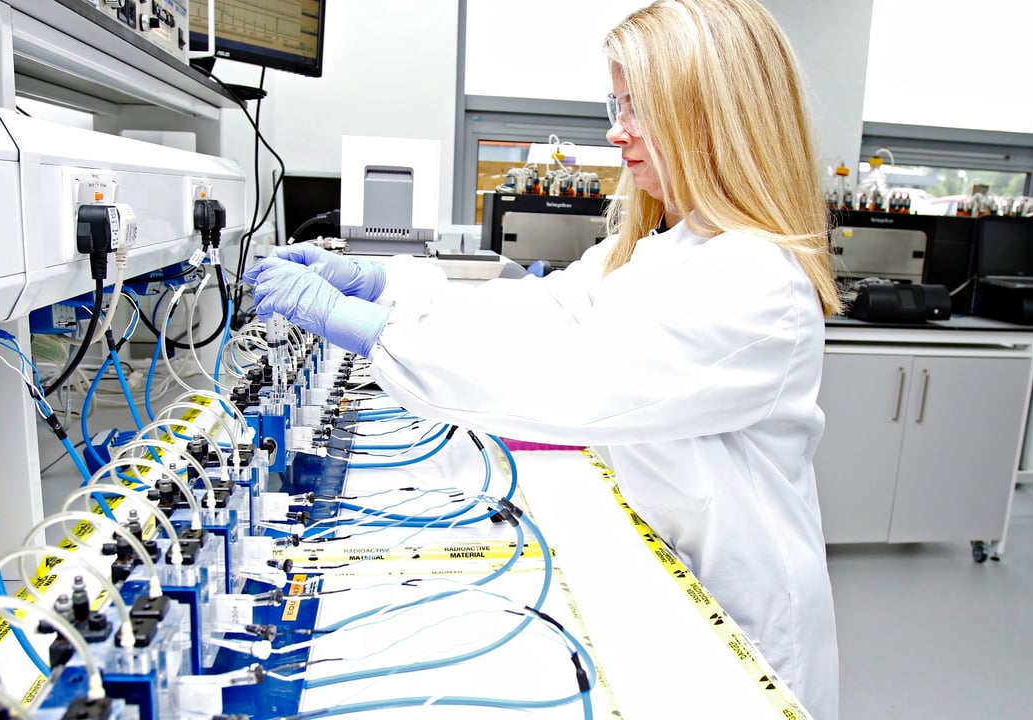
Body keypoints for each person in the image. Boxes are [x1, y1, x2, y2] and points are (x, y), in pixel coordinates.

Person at [243, 0, 841, 717]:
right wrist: (389, 284)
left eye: (638, 106)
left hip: (740, 604)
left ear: (712, 112)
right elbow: (547, 312)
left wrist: (370, 330)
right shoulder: (671, 248)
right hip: (671, 559)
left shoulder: (757, 282)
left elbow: (579, 379)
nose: (617, 130)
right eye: (615, 104)